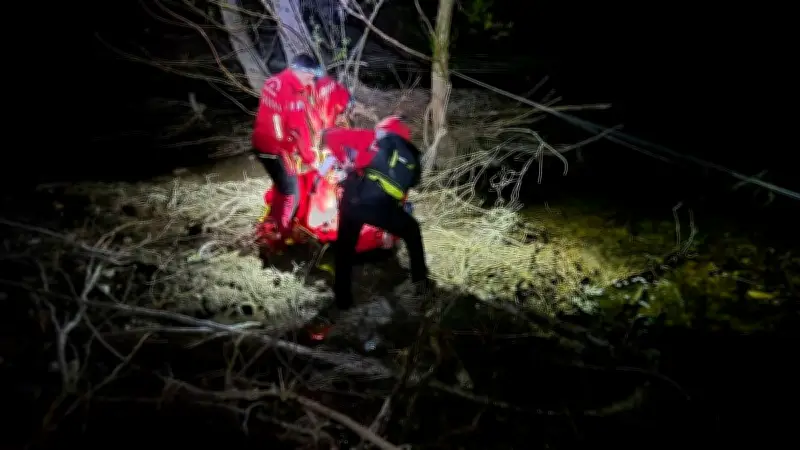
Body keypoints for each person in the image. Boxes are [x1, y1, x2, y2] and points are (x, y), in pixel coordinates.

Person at [320, 115, 431, 317]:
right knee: (412, 231)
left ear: (384, 130)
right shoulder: (406, 158)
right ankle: (421, 284)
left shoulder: (371, 138)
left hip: (353, 201)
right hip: (380, 207)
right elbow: (400, 195)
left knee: (345, 249)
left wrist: (346, 163)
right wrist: (389, 231)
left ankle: (343, 301)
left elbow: (331, 136)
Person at [252, 54, 325, 242]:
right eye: (309, 75)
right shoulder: (291, 93)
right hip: (275, 149)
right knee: (291, 193)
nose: (312, 80)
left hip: (261, 143)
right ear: (299, 71)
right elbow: (299, 129)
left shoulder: (274, 81)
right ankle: (279, 237)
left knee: (282, 186)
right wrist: (310, 157)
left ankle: (271, 224)